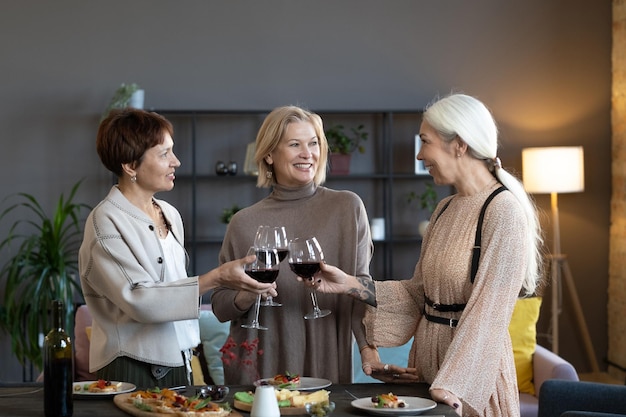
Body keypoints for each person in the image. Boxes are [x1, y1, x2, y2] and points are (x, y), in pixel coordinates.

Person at [310, 94, 543, 417]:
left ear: (459, 144)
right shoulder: (445, 208)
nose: (420, 155)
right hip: (428, 362)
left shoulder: (502, 211)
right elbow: (419, 293)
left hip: (472, 376)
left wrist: (453, 383)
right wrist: (350, 284)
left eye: (425, 142)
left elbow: (489, 313)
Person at [78, 108, 276, 388]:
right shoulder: (106, 220)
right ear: (130, 166)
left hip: (179, 361)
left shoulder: (169, 214)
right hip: (133, 367)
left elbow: (173, 288)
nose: (176, 162)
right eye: (164, 154)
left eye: (173, 151)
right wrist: (216, 277)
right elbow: (140, 300)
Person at [210, 105, 376, 384]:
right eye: (294, 144)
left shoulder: (347, 208)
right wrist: (247, 295)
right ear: (269, 155)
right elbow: (219, 306)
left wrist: (368, 350)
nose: (307, 153)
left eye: (313, 143)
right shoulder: (243, 222)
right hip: (259, 364)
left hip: (326, 358)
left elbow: (361, 287)